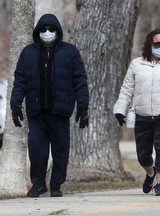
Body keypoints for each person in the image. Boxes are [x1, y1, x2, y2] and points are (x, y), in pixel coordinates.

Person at [10, 13, 89, 198]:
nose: (47, 32)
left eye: (51, 29)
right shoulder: (28, 52)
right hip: (37, 112)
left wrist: (83, 107)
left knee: (61, 150)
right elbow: (20, 81)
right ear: (38, 31)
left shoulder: (70, 52)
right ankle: (38, 184)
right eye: (44, 29)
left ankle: (56, 185)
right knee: (37, 150)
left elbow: (80, 80)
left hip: (60, 111)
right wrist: (15, 105)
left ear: (57, 31)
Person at [113, 29, 160, 196]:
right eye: (157, 43)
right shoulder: (136, 64)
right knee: (143, 155)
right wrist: (120, 109)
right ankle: (150, 174)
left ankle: (159, 184)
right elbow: (127, 89)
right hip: (142, 115)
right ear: (149, 45)